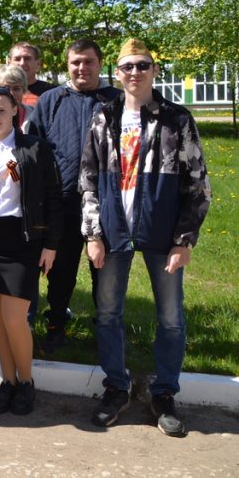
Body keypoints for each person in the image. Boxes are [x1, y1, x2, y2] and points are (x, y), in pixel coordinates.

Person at [80, 38, 211, 437]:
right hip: (113, 229)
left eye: (142, 65)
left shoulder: (176, 119)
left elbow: (198, 184)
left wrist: (183, 240)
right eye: (127, 66)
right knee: (108, 313)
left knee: (170, 318)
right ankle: (116, 388)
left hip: (162, 230)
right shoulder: (104, 117)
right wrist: (93, 234)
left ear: (154, 70)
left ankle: (164, 393)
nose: (134, 72)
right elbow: (88, 179)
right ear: (117, 73)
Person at [0, 87, 62, 415]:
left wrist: (51, 244)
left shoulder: (34, 148)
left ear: (15, 110)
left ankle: (27, 382)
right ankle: (8, 380)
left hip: (22, 242)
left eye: (1, 110)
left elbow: (53, 196)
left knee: (15, 318)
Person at [32, 39, 120, 354]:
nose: (82, 68)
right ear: (67, 65)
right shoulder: (50, 100)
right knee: (61, 270)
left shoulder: (117, 100)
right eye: (75, 62)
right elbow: (36, 148)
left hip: (106, 202)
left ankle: (107, 329)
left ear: (100, 63)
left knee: (104, 271)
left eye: (88, 61)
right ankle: (56, 323)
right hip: (63, 201)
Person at [0, 64, 37, 136]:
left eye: (16, 89)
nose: (12, 93)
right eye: (6, 88)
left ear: (23, 90)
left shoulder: (35, 115)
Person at [8, 42, 56, 106]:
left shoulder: (53, 93)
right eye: (17, 59)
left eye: (27, 58)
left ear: (38, 64)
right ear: (9, 63)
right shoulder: (0, 92)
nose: (22, 63)